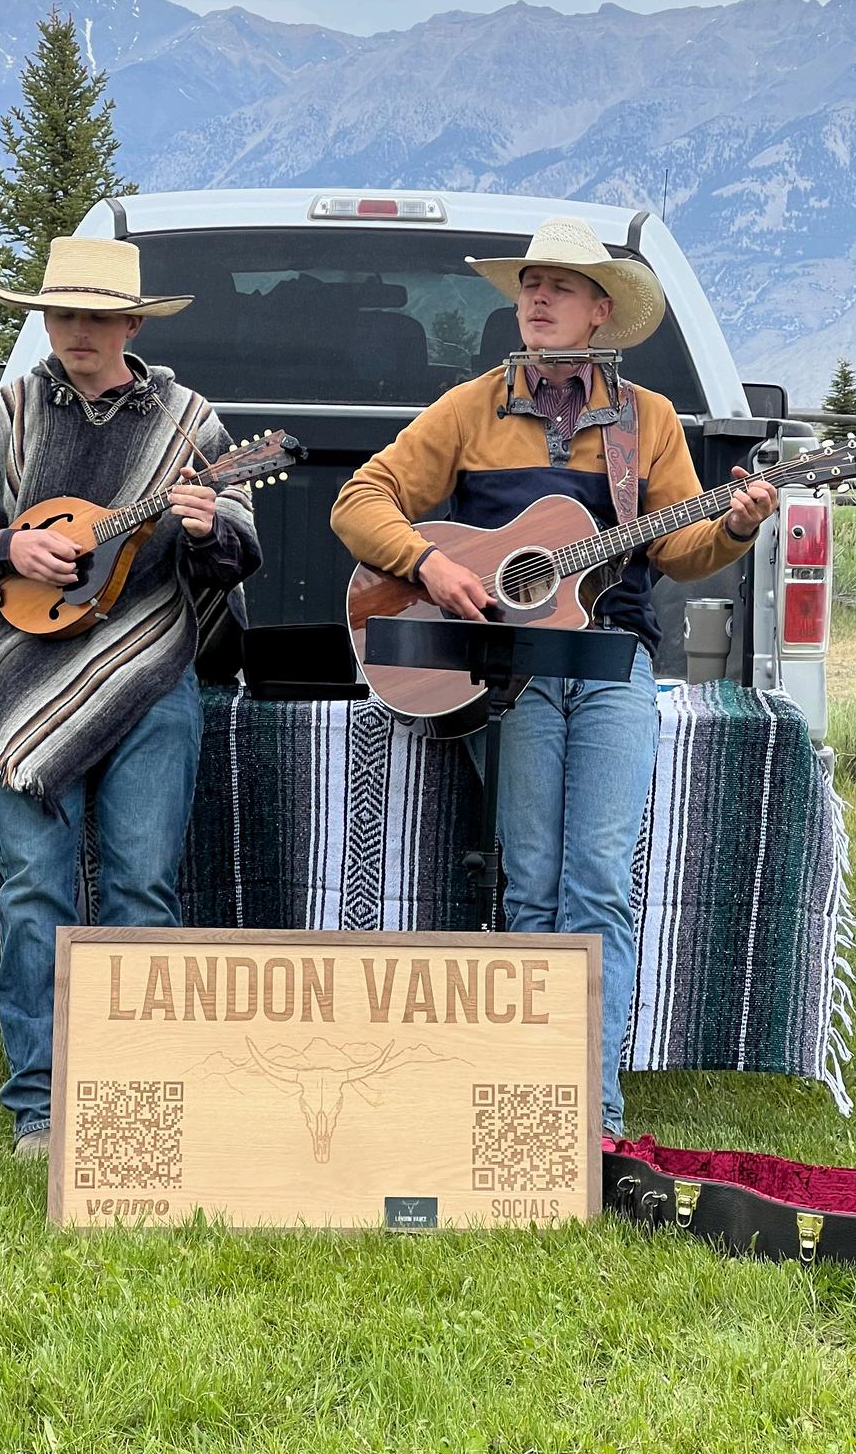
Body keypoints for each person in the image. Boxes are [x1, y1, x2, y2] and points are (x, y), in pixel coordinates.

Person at [330, 217, 777, 1137]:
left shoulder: (647, 420)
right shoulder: (470, 407)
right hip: (509, 669)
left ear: (600, 311)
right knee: (532, 883)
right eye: (530, 284)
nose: (538, 298)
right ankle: (527, 1102)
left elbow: (681, 550)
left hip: (610, 660)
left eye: (560, 287)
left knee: (599, 883)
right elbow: (358, 500)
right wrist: (428, 564)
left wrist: (734, 526)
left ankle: (593, 1115)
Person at [0, 237, 260, 1158]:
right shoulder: (5, 416)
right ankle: (39, 1105)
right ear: (46, 321)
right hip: (19, 685)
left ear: (133, 325)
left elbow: (233, 560)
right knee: (34, 890)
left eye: (99, 317)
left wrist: (206, 528)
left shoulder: (192, 426)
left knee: (143, 888)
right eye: (64, 315)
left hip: (150, 675)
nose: (79, 332)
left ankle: (139, 1092)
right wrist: (8, 549)